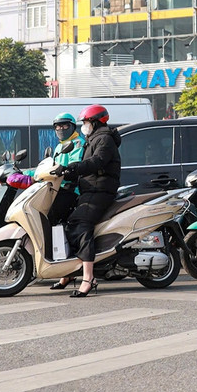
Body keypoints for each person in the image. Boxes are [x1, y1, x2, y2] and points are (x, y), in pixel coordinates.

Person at [55, 105, 121, 297]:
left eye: (85, 122)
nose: (83, 126)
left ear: (95, 121)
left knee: (81, 224)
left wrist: (73, 167)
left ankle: (88, 278)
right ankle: (69, 272)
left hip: (100, 190)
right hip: (89, 189)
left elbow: (96, 162)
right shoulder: (93, 138)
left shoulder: (104, 139)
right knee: (65, 218)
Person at [47, 113, 85, 230]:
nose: (61, 129)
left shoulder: (77, 143)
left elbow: (75, 164)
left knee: (53, 214)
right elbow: (52, 165)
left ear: (73, 127)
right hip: (58, 186)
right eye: (58, 126)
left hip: (71, 188)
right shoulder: (60, 146)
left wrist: (65, 169)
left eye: (65, 126)